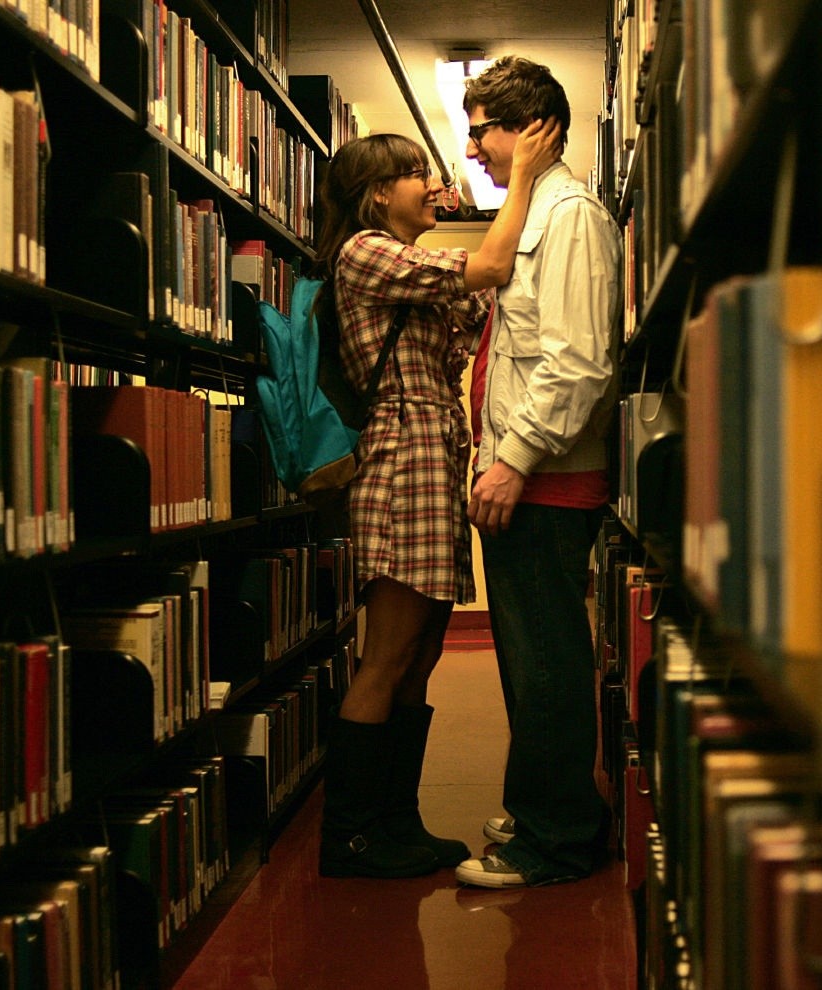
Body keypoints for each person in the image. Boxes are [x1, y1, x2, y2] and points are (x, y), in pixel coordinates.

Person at [311, 119, 562, 879]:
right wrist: (518, 177)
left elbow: (477, 309)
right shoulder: (365, 253)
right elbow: (486, 268)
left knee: (419, 654)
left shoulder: (409, 266)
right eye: (416, 172)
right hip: (402, 456)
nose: (433, 183)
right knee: (388, 655)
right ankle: (351, 836)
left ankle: (396, 821)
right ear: (377, 192)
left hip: (433, 453)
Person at [455, 56, 623, 889]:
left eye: (480, 127)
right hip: (525, 473)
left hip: (547, 479)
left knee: (548, 660)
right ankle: (542, 811)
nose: (472, 147)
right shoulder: (534, 214)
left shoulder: (572, 218)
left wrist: (513, 461)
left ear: (527, 129)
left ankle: (555, 840)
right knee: (529, 660)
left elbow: (579, 361)